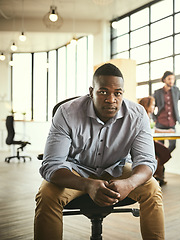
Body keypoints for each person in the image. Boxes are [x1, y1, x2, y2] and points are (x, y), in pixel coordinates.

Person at [34, 63, 164, 240]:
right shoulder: (66, 113)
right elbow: (51, 166)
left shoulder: (137, 114)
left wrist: (130, 183)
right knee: (47, 194)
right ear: (91, 91)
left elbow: (146, 162)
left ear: (122, 93)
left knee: (152, 189)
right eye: (103, 92)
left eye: (117, 93)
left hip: (116, 169)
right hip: (77, 171)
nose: (111, 99)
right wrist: (87, 184)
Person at [153, 71, 180, 153]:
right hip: (160, 124)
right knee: (159, 147)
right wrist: (154, 118)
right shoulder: (157, 92)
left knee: (173, 145)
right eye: (169, 79)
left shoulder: (176, 91)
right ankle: (161, 163)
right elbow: (151, 107)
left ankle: (162, 160)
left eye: (173, 79)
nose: (171, 81)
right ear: (164, 80)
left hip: (172, 124)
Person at [138, 96, 173, 186]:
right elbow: (150, 131)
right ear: (147, 105)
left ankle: (158, 175)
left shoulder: (149, 116)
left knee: (160, 154)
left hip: (150, 140)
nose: (154, 107)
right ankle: (157, 175)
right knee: (163, 152)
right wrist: (167, 131)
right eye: (153, 105)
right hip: (144, 142)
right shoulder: (142, 116)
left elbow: (153, 130)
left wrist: (167, 131)